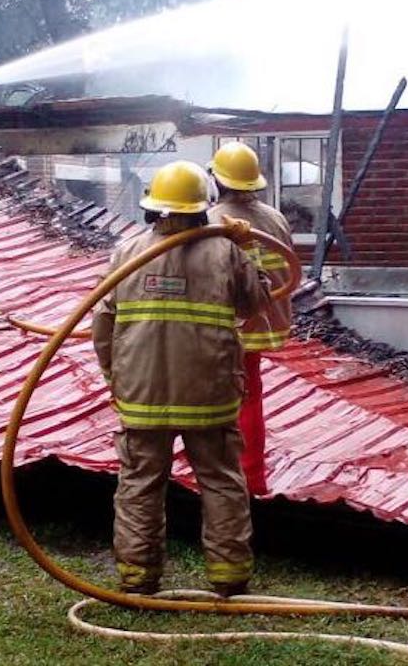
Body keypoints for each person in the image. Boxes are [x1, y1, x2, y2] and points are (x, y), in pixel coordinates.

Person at [92, 160, 270, 597]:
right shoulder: (225, 251)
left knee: (139, 484)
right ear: (202, 205)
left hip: (142, 394)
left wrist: (116, 377)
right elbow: (256, 302)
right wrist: (248, 247)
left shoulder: (127, 253)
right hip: (209, 395)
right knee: (221, 481)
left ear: (153, 206)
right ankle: (229, 576)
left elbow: (102, 324)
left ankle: (138, 576)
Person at [207, 142, 294, 497]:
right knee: (249, 395)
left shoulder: (212, 221)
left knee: (223, 403)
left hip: (229, 325)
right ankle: (252, 477)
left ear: (217, 180)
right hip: (265, 321)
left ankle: (239, 479)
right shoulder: (275, 217)